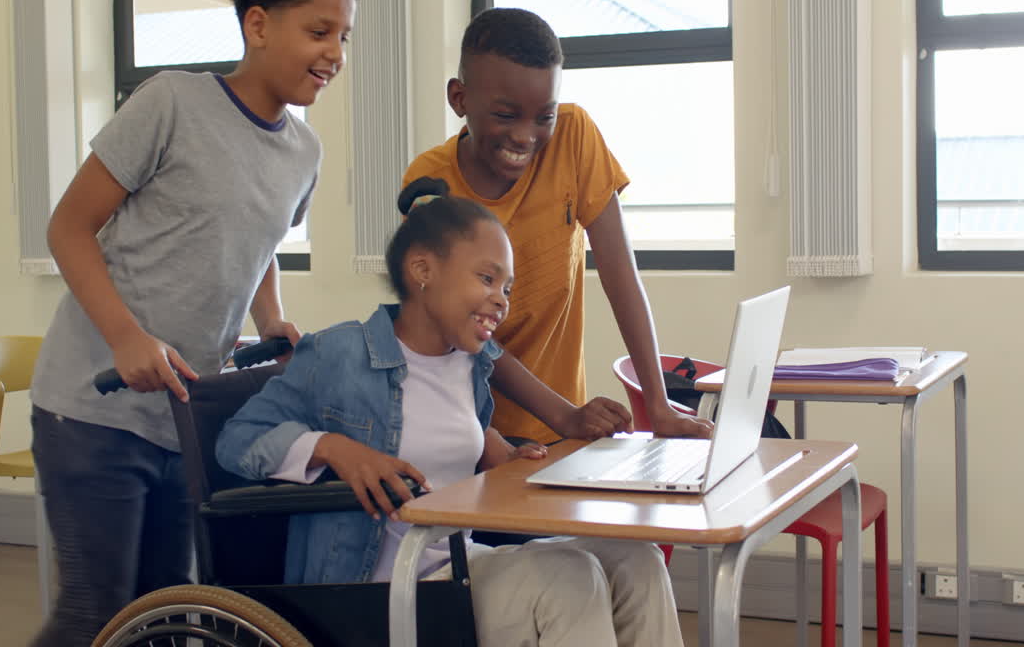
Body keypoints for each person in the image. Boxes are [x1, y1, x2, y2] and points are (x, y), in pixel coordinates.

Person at [26, 0, 360, 644]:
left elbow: (258, 239)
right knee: (96, 612)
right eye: (319, 31)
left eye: (343, 37)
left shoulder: (304, 151)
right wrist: (126, 336)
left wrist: (273, 318)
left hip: (186, 418)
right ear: (259, 24)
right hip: (92, 410)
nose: (334, 53)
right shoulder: (171, 103)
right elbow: (68, 228)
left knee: (163, 616)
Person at [215, 177, 683, 647]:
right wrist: (336, 450)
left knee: (636, 560)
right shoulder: (340, 353)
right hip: (374, 590)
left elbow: (457, 442)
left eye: (507, 286)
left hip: (455, 566)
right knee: (569, 577)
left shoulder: (469, 363)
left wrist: (506, 459)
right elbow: (238, 440)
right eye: (486, 278)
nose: (502, 298)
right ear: (423, 270)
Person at [403, 7, 713, 445]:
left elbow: (620, 274)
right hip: (470, 430)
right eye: (506, 116)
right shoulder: (430, 185)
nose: (526, 136)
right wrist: (565, 415)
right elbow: (465, 330)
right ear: (459, 99)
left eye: (543, 117)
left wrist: (657, 406)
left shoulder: (574, 136)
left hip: (562, 430)